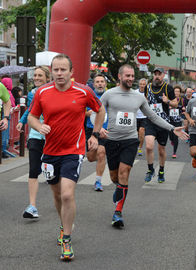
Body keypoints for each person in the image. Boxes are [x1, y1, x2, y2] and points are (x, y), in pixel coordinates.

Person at [28, 54, 106, 261]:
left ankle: (67, 239)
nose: (59, 73)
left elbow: (100, 110)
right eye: (56, 70)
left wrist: (95, 134)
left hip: (73, 150)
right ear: (51, 71)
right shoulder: (42, 92)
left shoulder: (83, 91)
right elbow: (31, 116)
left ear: (71, 72)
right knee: (56, 194)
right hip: (50, 152)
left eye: (64, 70)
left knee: (67, 195)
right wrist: (39, 126)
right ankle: (64, 224)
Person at [100, 64, 188, 228]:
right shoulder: (108, 94)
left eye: (132, 76)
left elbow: (153, 116)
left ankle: (118, 212)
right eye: (127, 76)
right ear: (120, 76)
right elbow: (97, 112)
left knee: (124, 172)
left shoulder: (138, 97)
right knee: (114, 177)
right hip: (111, 140)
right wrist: (99, 129)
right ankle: (119, 188)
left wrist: (171, 128)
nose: (130, 79)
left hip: (130, 140)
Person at [16, 66, 51, 219]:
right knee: (33, 170)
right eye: (35, 75)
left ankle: (63, 198)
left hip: (52, 135)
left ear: (47, 78)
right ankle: (32, 206)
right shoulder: (32, 93)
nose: (36, 78)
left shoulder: (53, 92)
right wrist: (21, 121)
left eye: (40, 75)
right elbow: (31, 110)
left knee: (54, 171)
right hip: (36, 134)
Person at [144, 67, 178, 183]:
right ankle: (150, 170)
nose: (157, 76)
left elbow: (175, 104)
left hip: (163, 122)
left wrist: (167, 101)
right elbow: (144, 101)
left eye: (159, 74)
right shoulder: (148, 87)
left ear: (163, 76)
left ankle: (161, 171)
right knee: (148, 146)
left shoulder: (168, 88)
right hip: (150, 122)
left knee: (161, 149)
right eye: (155, 74)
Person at [85, 74, 108, 191]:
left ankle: (98, 182)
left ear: (105, 84)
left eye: (102, 81)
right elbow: (79, 110)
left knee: (101, 152)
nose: (100, 84)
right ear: (93, 84)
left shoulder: (109, 96)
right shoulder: (88, 95)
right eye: (97, 82)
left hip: (105, 131)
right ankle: (101, 159)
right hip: (90, 130)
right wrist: (86, 113)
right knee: (90, 157)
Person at [169, 85, 184, 158]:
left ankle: (174, 152)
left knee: (176, 136)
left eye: (178, 91)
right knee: (171, 135)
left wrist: (184, 109)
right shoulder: (170, 99)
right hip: (170, 120)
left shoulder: (182, 100)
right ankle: (172, 140)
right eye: (175, 91)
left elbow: (185, 107)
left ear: (180, 93)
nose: (176, 93)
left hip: (178, 121)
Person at [136, 78, 147, 156]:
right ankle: (135, 146)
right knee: (136, 134)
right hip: (135, 116)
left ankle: (140, 148)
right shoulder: (135, 93)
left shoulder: (148, 93)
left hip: (144, 116)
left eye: (144, 84)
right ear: (139, 85)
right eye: (141, 84)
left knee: (141, 131)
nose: (142, 86)